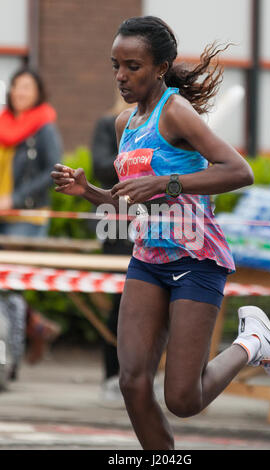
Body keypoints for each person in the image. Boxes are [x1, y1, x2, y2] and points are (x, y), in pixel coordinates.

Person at [51, 16, 270, 450]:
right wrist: (88, 192)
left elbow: (240, 171)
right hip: (149, 258)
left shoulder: (176, 112)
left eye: (133, 66)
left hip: (196, 258)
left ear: (160, 67)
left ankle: (254, 340)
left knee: (182, 398)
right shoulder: (125, 123)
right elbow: (130, 204)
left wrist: (167, 183)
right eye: (116, 66)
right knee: (133, 382)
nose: (121, 76)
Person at [0, 68, 62, 379]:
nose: (20, 92)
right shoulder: (4, 124)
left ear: (38, 92)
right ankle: (35, 327)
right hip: (1, 212)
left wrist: (16, 198)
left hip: (25, 214)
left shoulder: (43, 126)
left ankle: (11, 363)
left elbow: (53, 170)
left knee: (10, 286)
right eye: (16, 86)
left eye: (27, 87)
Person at [91, 93, 134, 400]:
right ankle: (112, 375)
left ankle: (143, 376)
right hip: (118, 225)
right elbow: (100, 167)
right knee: (121, 305)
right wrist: (141, 161)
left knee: (156, 309)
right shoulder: (108, 124)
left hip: (156, 224)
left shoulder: (166, 125)